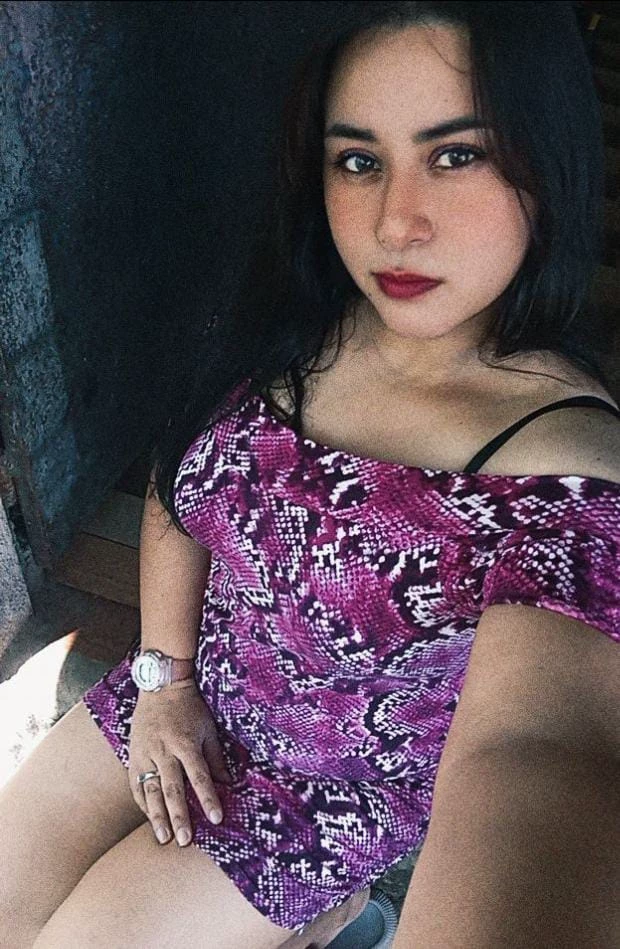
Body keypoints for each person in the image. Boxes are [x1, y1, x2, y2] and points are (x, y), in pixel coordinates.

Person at [2, 2, 619, 947]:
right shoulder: (294, 324)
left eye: (457, 154)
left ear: (550, 160)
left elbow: (541, 749)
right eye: (359, 160)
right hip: (184, 690)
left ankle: (330, 908)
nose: (395, 223)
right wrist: (165, 679)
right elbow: (180, 486)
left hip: (324, 799)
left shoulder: (569, 481)